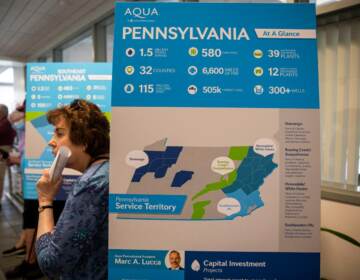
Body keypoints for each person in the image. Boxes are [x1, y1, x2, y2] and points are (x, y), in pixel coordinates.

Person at [35, 99, 109, 279]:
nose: (51, 142)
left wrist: (45, 200)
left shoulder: (90, 184)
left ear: (85, 139)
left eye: (59, 134)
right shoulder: (107, 172)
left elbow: (51, 263)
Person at [0, 104, 16, 210]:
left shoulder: (5, 123)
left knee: (0, 178)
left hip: (2, 153)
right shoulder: (4, 122)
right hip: (4, 151)